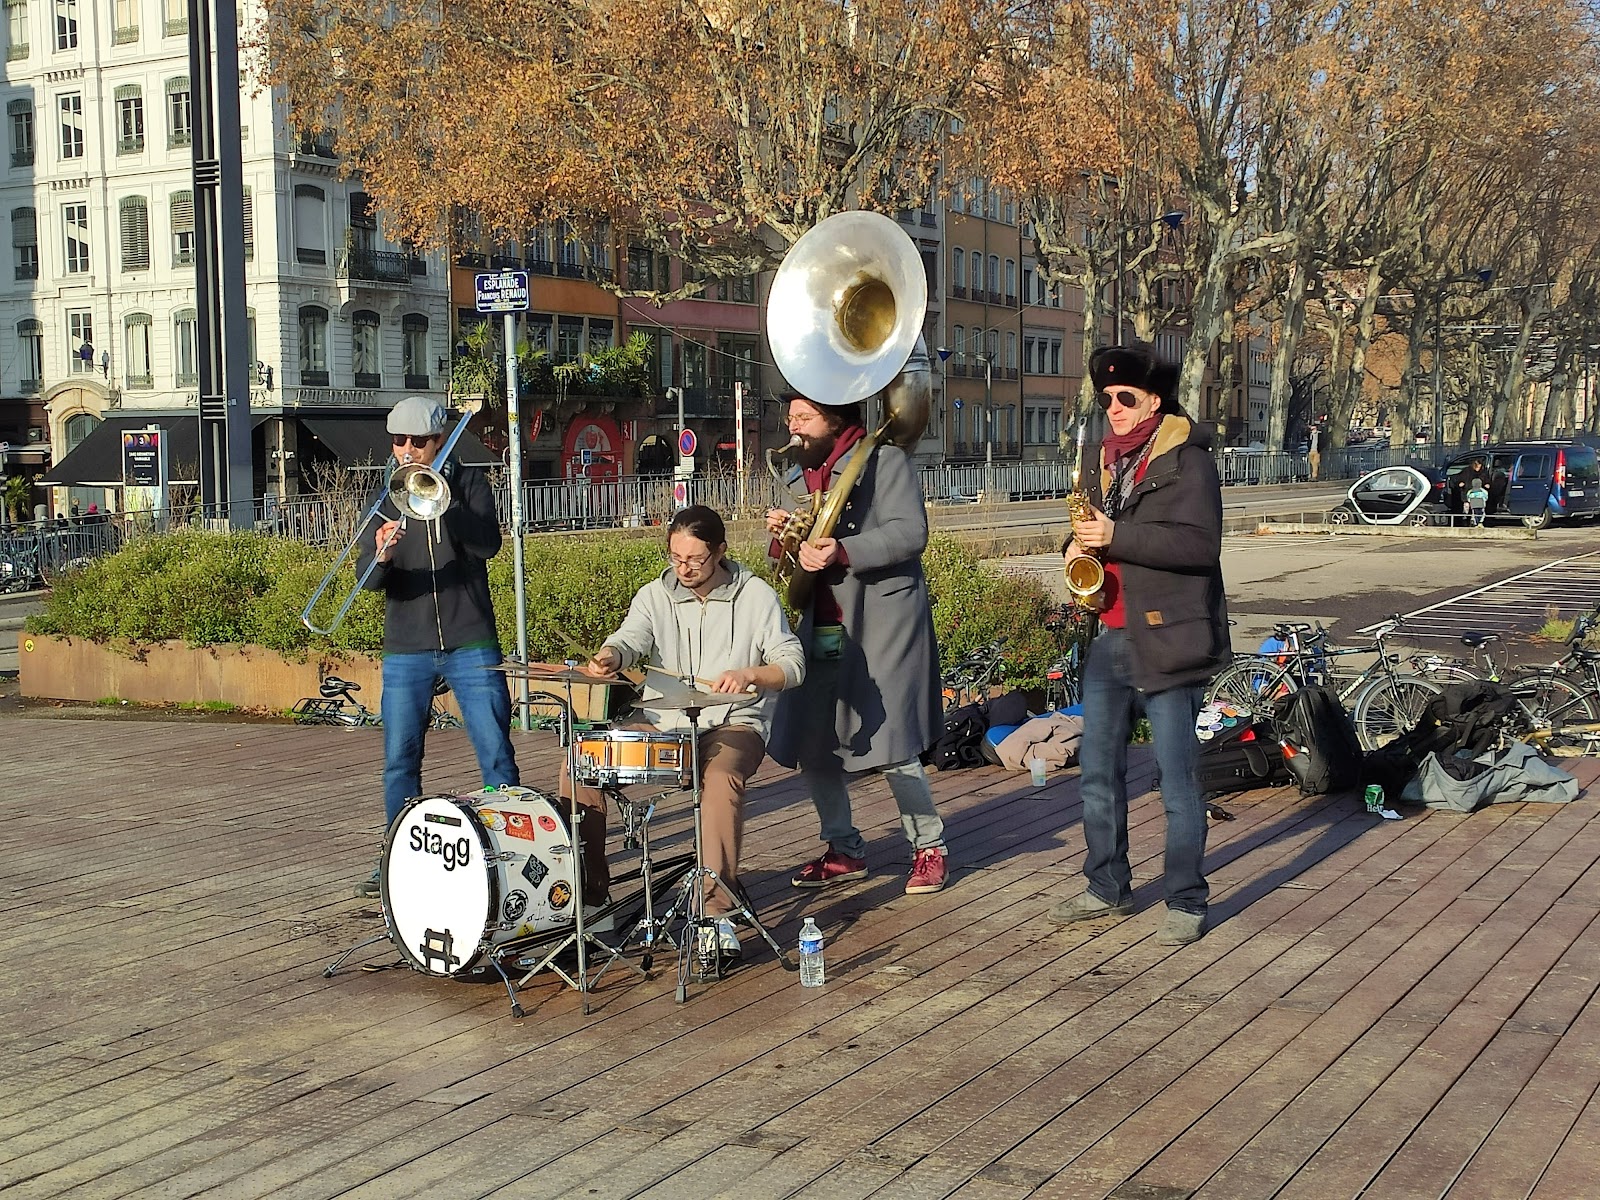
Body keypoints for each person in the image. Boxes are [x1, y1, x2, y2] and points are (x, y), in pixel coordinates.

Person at [1048, 341, 1230, 946]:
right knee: (1097, 770)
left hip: (1170, 636)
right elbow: (1093, 531)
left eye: (1125, 398)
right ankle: (1106, 885)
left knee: (1177, 779)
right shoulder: (1106, 460)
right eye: (1106, 400)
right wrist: (1073, 549)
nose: (1114, 409)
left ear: (1154, 401)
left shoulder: (1188, 460)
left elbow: (1200, 547)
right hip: (1112, 632)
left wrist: (1116, 536)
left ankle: (1186, 898)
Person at [574, 505, 806, 960]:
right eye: (676, 558)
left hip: (734, 722)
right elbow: (629, 639)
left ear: (720, 552)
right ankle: (592, 899)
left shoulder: (755, 596)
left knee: (720, 778)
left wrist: (752, 674)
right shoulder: (654, 595)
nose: (684, 568)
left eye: (696, 559)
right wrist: (611, 655)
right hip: (667, 724)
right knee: (582, 765)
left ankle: (716, 915)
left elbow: (793, 663)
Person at [765, 394, 948, 896]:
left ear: (834, 420)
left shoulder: (884, 460)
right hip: (825, 622)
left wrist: (844, 550)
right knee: (814, 736)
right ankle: (843, 847)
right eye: (791, 418)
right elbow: (789, 560)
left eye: (804, 418)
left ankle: (929, 847)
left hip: (882, 620)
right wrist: (783, 538)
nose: (794, 427)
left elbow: (910, 533)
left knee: (893, 742)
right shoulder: (799, 475)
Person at [352, 395, 518, 898]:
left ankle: (513, 851)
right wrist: (380, 557)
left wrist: (444, 503)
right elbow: (367, 581)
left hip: (470, 639)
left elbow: (489, 544)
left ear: (439, 441)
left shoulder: (469, 484)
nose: (407, 451)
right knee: (400, 759)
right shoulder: (383, 499)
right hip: (407, 646)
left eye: (418, 442)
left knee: (495, 752)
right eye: (398, 441)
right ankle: (396, 856)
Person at [1458, 457, 1490, 527]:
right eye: (1477, 466)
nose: (1478, 468)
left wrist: (1486, 484)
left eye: (1480, 467)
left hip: (1479, 494)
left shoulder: (1483, 472)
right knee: (1467, 508)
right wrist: (1461, 483)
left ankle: (1477, 521)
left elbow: (1486, 480)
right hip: (1468, 492)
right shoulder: (1466, 471)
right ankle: (1466, 521)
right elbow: (1461, 479)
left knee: (1478, 510)